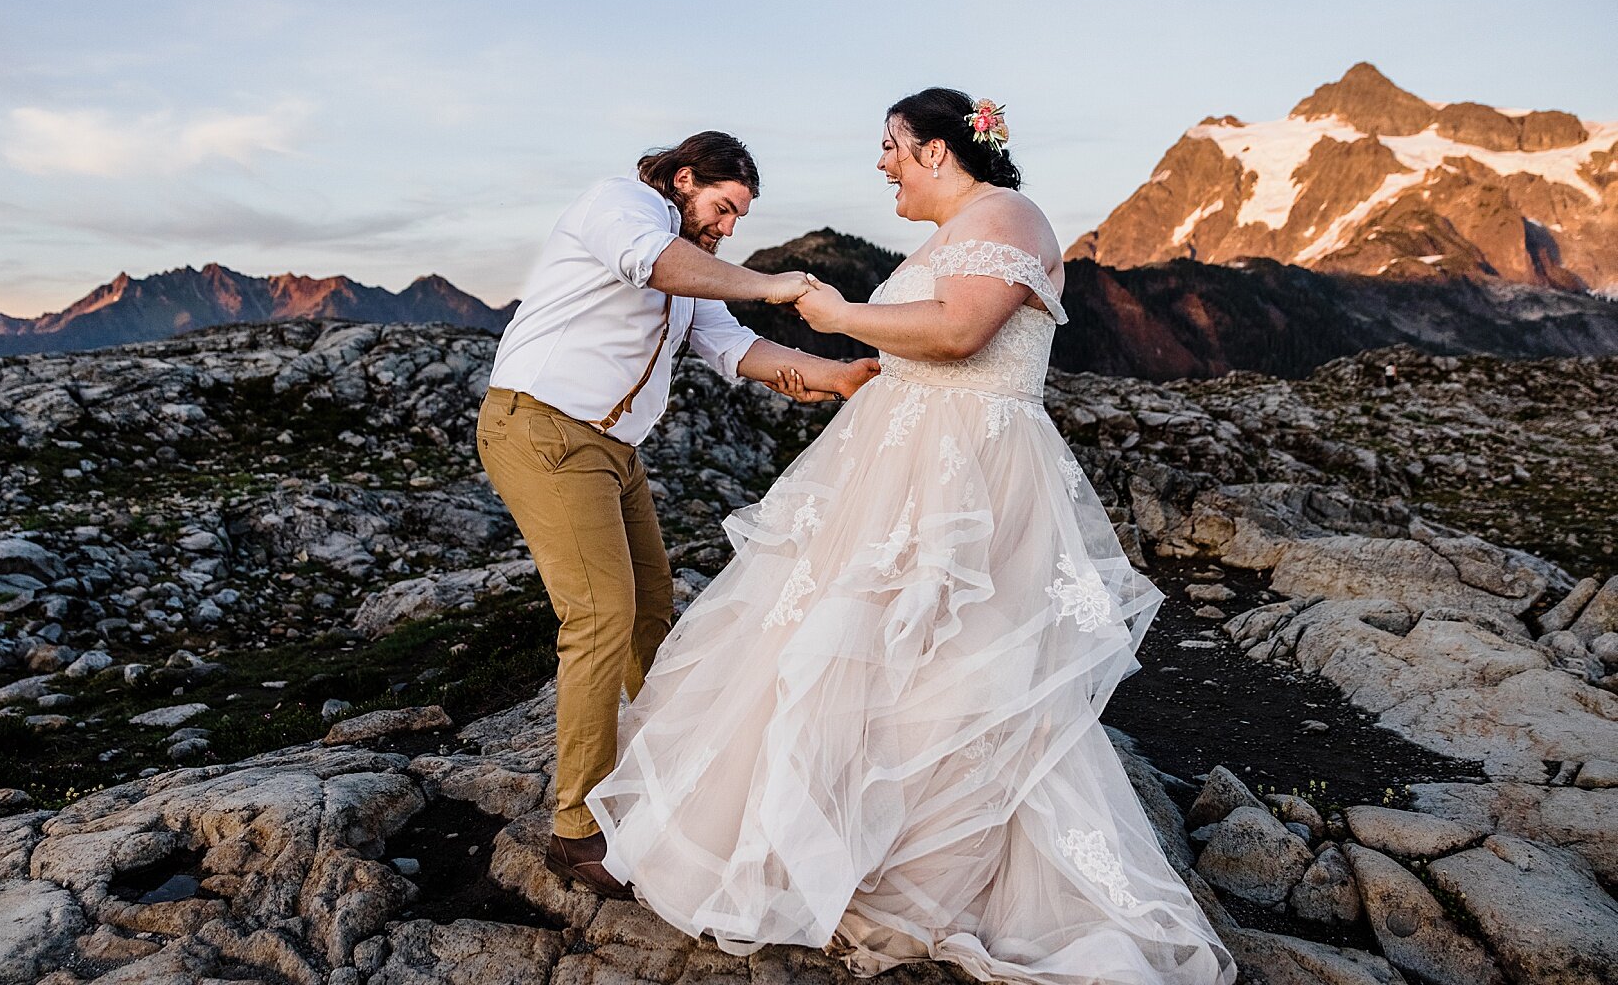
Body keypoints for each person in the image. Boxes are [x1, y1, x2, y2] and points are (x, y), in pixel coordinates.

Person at [586, 93, 1238, 983]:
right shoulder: (958, 230)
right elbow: (913, 338)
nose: (882, 164)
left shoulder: (1007, 213)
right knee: (861, 653)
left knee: (951, 664)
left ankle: (922, 867)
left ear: (936, 150)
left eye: (890, 147)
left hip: (962, 473)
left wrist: (843, 312)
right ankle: (846, 845)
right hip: (905, 463)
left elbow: (962, 332)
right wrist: (848, 361)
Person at [477, 130, 881, 900]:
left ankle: (672, 779)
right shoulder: (622, 204)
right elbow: (652, 263)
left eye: (737, 220)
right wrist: (771, 282)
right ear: (685, 178)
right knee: (600, 615)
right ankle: (574, 830)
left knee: (652, 612)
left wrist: (835, 377)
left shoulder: (690, 263)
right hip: (542, 426)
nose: (728, 228)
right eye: (724, 209)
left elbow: (730, 345)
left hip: (610, 449)